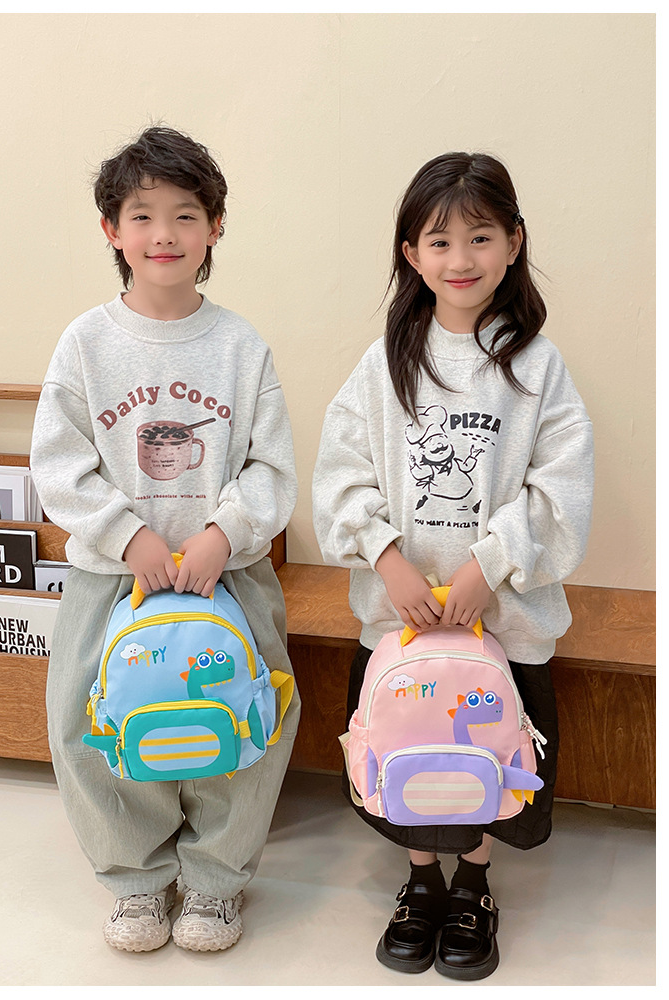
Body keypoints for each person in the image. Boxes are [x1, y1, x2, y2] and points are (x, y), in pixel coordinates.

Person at [312, 152, 593, 980]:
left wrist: (486, 568)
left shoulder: (537, 367)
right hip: (401, 626)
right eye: (439, 241)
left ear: (514, 243)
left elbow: (561, 488)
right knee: (407, 750)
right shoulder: (383, 364)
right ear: (411, 253)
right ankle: (421, 881)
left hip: (504, 625)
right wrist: (388, 560)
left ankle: (474, 882)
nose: (460, 258)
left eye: (480, 237)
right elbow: (341, 475)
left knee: (492, 756)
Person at [30, 126, 300, 955]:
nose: (164, 234)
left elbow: (271, 467)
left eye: (185, 215)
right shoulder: (85, 343)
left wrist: (223, 533)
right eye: (142, 215)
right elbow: (59, 464)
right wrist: (127, 536)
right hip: (111, 580)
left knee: (248, 722)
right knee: (91, 725)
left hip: (230, 577)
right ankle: (137, 883)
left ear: (214, 228)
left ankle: (216, 882)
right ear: (111, 230)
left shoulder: (241, 346)